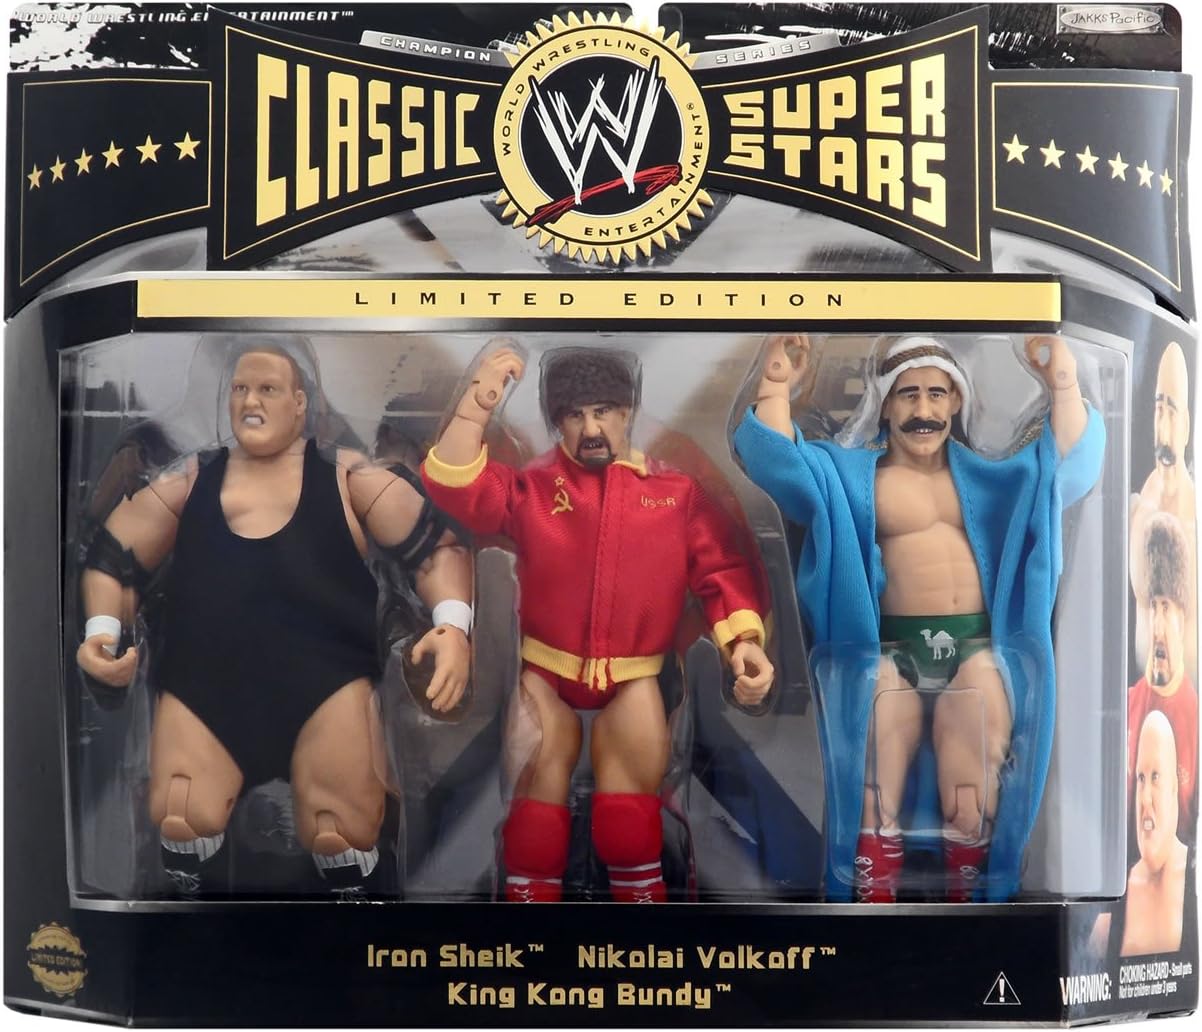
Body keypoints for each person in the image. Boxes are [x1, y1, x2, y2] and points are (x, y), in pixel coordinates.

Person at [76, 345, 473, 896]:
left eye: (267, 389)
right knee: (182, 817)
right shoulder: (191, 480)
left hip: (327, 688)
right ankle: (190, 918)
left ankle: (348, 917)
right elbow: (113, 558)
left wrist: (453, 627)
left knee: (343, 834)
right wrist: (102, 633)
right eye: (240, 389)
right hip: (203, 690)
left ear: (300, 403)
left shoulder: (349, 478)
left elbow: (435, 551)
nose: (250, 402)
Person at [734, 333, 1105, 902]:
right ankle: (869, 903)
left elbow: (1068, 467)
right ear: (884, 403)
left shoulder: (994, 477)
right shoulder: (853, 477)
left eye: (936, 393)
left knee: (971, 794)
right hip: (889, 653)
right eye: (908, 394)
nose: (923, 409)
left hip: (975, 649)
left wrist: (1062, 382)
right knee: (871, 787)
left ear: (956, 400)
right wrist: (777, 384)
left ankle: (974, 908)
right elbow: (780, 463)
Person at [421, 345, 773, 902]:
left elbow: (723, 567)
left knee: (631, 821)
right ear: (556, 421)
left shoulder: (675, 495)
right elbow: (456, 484)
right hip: (544, 673)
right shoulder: (532, 489)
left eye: (603, 411)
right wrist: (478, 402)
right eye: (575, 414)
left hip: (635, 676)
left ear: (627, 411)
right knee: (533, 815)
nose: (590, 428)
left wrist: (744, 642)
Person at [1128, 512, 1198, 838]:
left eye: (1166, 607)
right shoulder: (1127, 703)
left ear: (1182, 618)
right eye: (1152, 606)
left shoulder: (1196, 718)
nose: (1156, 626)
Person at [1131, 341, 1196, 680]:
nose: (1164, 423)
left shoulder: (1194, 519)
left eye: (1172, 411)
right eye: (1159, 409)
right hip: (1134, 695)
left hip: (1188, 695)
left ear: (1186, 423)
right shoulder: (1137, 510)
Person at [1121, 711, 1189, 956]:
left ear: (1174, 788)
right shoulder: (1118, 898)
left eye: (1156, 777)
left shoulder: (1194, 878)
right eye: (1141, 778)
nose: (1145, 798)